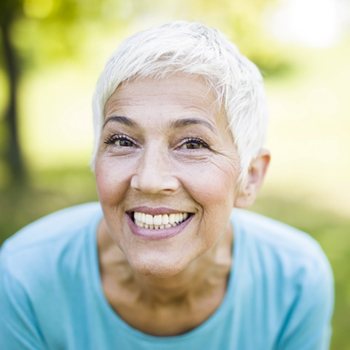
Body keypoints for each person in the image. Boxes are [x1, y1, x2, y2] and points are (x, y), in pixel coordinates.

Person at [0, 21, 333, 349]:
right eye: (122, 140)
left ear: (250, 178)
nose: (150, 180)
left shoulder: (295, 281)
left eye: (192, 145)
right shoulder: (25, 277)